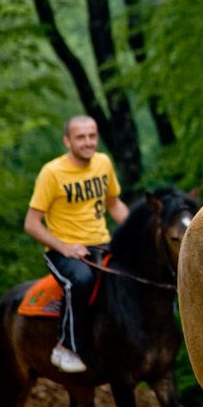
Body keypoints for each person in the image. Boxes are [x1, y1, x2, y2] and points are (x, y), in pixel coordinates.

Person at [24, 115, 129, 373]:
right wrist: (65, 247)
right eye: (81, 137)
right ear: (67, 141)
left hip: (101, 244)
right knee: (81, 280)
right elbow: (32, 223)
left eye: (92, 136)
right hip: (64, 251)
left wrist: (131, 236)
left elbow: (114, 204)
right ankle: (65, 347)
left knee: (135, 275)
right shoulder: (52, 173)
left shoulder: (103, 163)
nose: (88, 142)